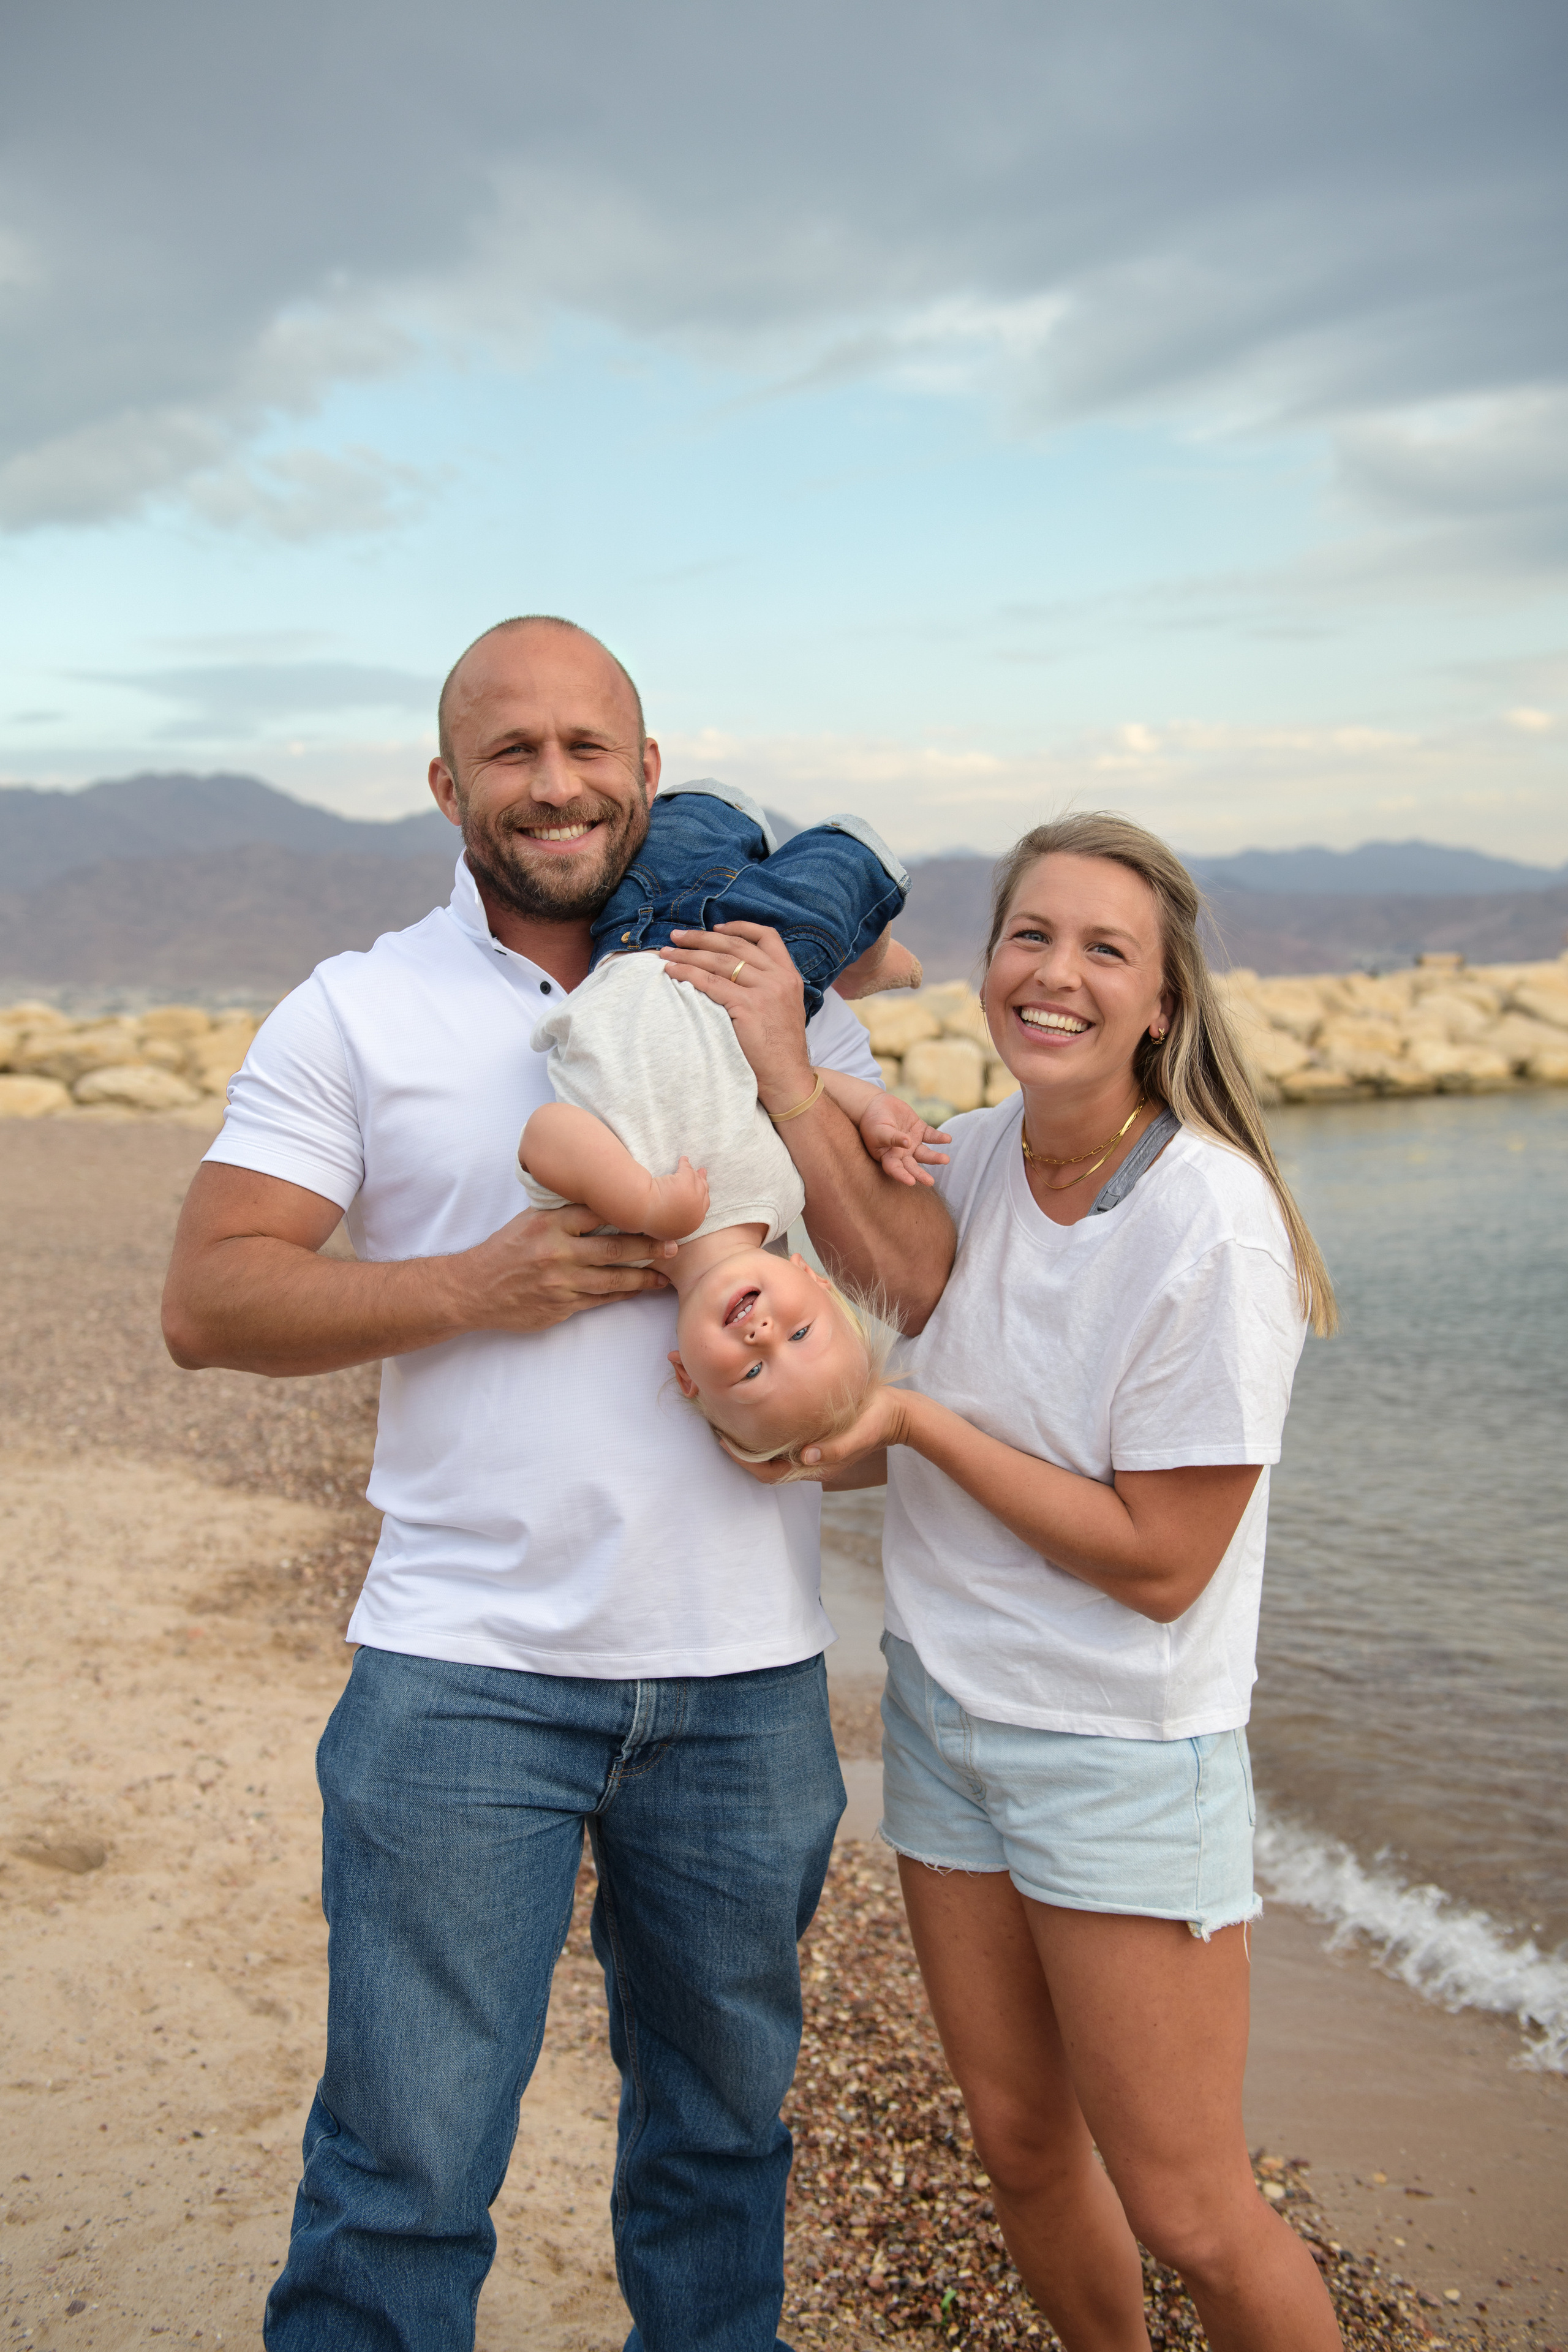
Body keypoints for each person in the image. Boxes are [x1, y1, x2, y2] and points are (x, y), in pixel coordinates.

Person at [159, 614, 951, 2352]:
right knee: (405, 2175)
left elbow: (918, 1276)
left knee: (721, 2151)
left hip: (745, 1682)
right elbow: (210, 1299)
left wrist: (794, 1073)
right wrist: (472, 1286)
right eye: (513, 753)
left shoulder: (770, 987)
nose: (557, 783)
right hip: (460, 1679)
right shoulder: (361, 1007)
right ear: (448, 786)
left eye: (592, 747)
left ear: (650, 772)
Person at [663, 812, 1343, 2352]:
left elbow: (1164, 1565)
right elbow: (899, 1280)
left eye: (1104, 948)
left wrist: (900, 1422)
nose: (1054, 972)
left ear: (1160, 1000)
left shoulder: (1207, 1219)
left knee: (1185, 2207)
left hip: (1114, 1749)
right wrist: (790, 1066)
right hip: (943, 1716)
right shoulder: (969, 1156)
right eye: (1028, 935)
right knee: (1023, 2149)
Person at [519, 783, 949, 1463]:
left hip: (634, 934)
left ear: (686, 1375)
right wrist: (869, 1109)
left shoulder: (616, 1235)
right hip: (750, 961)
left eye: (751, 1374)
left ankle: (847, 950)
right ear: (813, 1280)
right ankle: (865, 960)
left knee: (699, 816)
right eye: (801, 1334)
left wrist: (647, 1202)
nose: (764, 1337)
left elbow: (544, 1135)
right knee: (847, 864)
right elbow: (778, 1078)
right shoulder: (783, 1198)